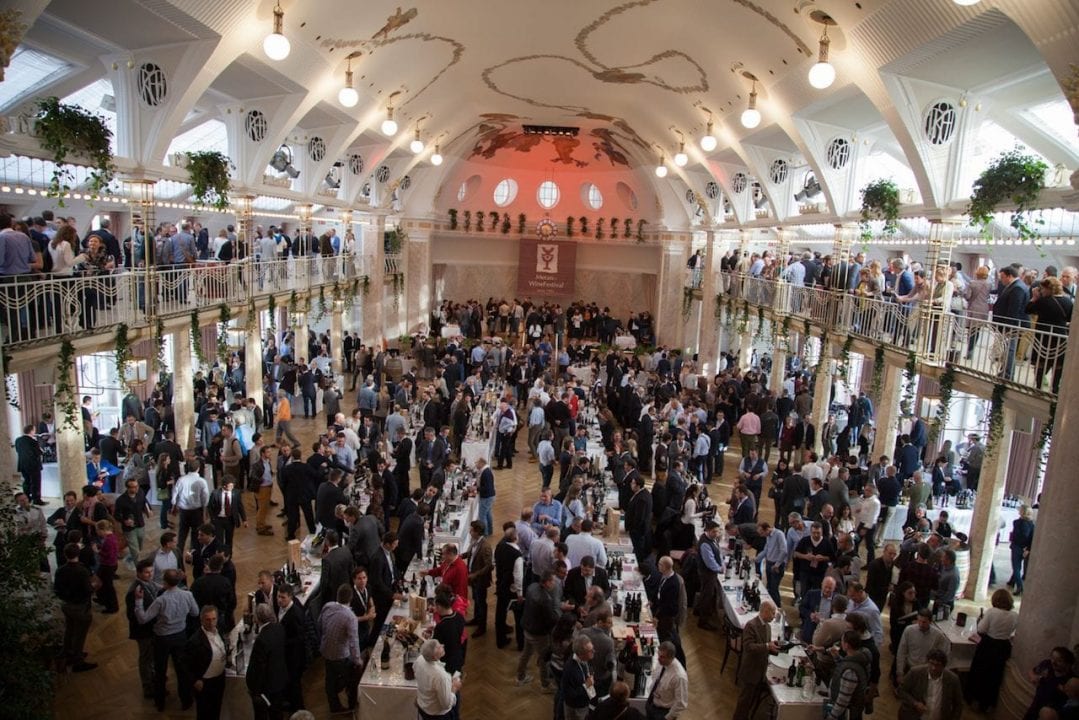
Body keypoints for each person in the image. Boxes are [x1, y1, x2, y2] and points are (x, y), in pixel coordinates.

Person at [134, 567, 200, 711]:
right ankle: (186, 700)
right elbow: (195, 612)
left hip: (162, 639)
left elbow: (143, 619)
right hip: (180, 636)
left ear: (165, 582)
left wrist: (139, 602)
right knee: (182, 669)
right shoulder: (187, 595)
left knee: (160, 670)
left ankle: (160, 702)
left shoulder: (161, 600)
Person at [967, 588, 1020, 712]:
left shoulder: (992, 612)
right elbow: (1012, 631)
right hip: (1003, 647)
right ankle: (988, 704)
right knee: (994, 676)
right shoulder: (1014, 615)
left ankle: (974, 699)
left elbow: (981, 629)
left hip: (989, 645)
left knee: (980, 673)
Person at [54, 542, 98, 672]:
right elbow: (87, 589)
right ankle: (77, 661)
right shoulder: (82, 571)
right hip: (80, 606)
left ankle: (67, 651)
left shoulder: (60, 570)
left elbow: (57, 589)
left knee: (70, 630)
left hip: (67, 605)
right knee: (80, 635)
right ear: (78, 554)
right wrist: (94, 586)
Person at [319, 583, 363, 713]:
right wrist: (358, 661)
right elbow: (354, 642)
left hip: (326, 650)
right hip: (340, 655)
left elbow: (319, 624)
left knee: (330, 679)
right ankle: (351, 705)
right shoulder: (350, 617)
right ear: (351, 599)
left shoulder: (327, 606)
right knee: (350, 679)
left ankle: (334, 706)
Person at [733, 599, 779, 720]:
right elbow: (748, 647)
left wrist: (771, 649)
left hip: (760, 671)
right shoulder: (751, 625)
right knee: (744, 702)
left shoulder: (768, 627)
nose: (774, 616)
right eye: (773, 613)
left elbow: (765, 646)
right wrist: (767, 646)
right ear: (764, 611)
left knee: (750, 701)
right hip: (750, 671)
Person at [517, 570, 560, 688]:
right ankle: (545, 684)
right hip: (539, 634)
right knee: (544, 659)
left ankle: (520, 677)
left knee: (526, 654)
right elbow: (551, 619)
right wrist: (559, 612)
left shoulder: (532, 586)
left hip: (527, 628)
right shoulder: (546, 599)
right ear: (547, 582)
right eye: (553, 581)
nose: (554, 584)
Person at [185, 605, 228, 720]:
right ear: (202, 620)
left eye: (214, 619)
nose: (211, 623)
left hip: (219, 679)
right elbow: (185, 664)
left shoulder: (220, 629)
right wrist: (195, 680)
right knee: (204, 712)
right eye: (208, 620)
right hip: (205, 683)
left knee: (217, 708)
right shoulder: (195, 640)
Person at [247, 603, 289, 720]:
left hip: (267, 686)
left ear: (257, 618)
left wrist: (254, 688)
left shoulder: (261, 639)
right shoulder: (279, 628)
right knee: (277, 712)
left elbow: (258, 667)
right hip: (280, 678)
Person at [825, 630, 872, 720]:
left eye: (842, 641)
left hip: (845, 714)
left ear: (846, 645)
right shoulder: (858, 658)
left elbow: (843, 700)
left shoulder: (850, 672)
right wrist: (837, 657)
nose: (840, 643)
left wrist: (832, 716)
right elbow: (845, 665)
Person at [895, 608, 948, 684]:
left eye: (924, 622)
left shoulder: (938, 635)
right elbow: (901, 652)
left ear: (930, 621)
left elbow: (943, 655)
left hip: (926, 671)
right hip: (910, 668)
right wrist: (900, 673)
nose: (920, 624)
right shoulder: (909, 630)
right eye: (919, 621)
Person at [414, 638, 462, 720]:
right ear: (434, 656)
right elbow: (446, 704)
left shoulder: (420, 659)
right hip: (437, 715)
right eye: (439, 646)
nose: (443, 645)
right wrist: (454, 687)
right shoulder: (440, 676)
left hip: (424, 707)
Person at [1025, 647, 1077, 720]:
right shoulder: (1047, 664)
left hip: (1049, 714)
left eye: (1059, 661)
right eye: (1052, 658)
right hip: (1035, 706)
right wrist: (1033, 677)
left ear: (1068, 664)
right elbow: (1032, 671)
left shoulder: (1070, 680)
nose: (1053, 662)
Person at [172, 457, 209, 551]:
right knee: (196, 534)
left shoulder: (181, 480)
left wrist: (174, 505)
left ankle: (179, 554)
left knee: (182, 533)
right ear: (198, 468)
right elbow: (205, 498)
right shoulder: (202, 481)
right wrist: (205, 512)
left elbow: (175, 493)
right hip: (197, 511)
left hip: (183, 511)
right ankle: (193, 555)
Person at [464, 520, 494, 636]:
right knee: (476, 599)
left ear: (477, 532)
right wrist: (460, 556)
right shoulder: (475, 541)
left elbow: (489, 566)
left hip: (481, 580)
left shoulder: (485, 546)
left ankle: (482, 627)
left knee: (482, 603)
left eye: (471, 530)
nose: (470, 531)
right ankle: (476, 619)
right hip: (474, 579)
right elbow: (470, 553)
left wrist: (475, 574)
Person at [693, 520, 723, 631]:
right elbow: (709, 562)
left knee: (707, 591)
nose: (716, 534)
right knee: (707, 595)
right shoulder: (705, 543)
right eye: (714, 532)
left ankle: (698, 610)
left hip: (708, 572)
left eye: (718, 531)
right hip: (707, 573)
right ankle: (703, 621)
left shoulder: (710, 539)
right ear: (708, 531)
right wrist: (719, 569)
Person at [646, 640, 688, 719]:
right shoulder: (661, 661)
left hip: (663, 712)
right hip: (651, 702)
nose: (658, 659)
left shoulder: (679, 676)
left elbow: (681, 703)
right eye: (659, 655)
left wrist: (667, 718)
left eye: (662, 657)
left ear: (671, 658)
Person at [562, 634, 597, 720]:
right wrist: (586, 685)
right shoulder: (570, 669)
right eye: (590, 650)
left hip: (584, 701)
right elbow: (569, 693)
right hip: (576, 706)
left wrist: (590, 674)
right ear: (581, 654)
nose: (594, 651)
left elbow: (588, 667)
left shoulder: (584, 659)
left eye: (592, 648)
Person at [207, 477, 246, 551]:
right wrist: (213, 518)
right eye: (230, 486)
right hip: (218, 520)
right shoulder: (215, 493)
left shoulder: (236, 493)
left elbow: (240, 507)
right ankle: (220, 557)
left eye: (233, 485)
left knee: (229, 540)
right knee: (219, 540)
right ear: (224, 486)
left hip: (230, 520)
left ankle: (228, 557)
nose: (232, 487)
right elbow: (210, 507)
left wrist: (244, 519)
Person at [94, 519, 120, 613]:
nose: (97, 532)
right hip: (108, 564)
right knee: (101, 582)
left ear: (102, 530)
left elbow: (109, 554)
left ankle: (112, 607)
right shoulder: (111, 537)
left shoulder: (109, 540)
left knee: (108, 586)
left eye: (97, 530)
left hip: (108, 565)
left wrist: (97, 551)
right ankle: (102, 599)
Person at [15, 424, 45, 505]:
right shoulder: (33, 441)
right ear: (31, 431)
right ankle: (37, 499)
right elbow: (38, 453)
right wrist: (41, 450)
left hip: (23, 464)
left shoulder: (18, 440)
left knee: (26, 482)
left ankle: (27, 498)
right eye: (34, 430)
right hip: (33, 465)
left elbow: (18, 450)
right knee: (36, 483)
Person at [1009, 505, 1035, 595]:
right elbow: (1031, 537)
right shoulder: (1032, 524)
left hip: (1017, 547)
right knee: (1018, 566)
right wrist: (1028, 548)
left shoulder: (1017, 523)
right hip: (1026, 548)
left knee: (1016, 567)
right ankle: (1012, 581)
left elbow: (1018, 537)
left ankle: (1019, 586)